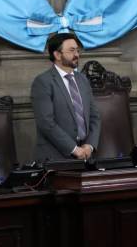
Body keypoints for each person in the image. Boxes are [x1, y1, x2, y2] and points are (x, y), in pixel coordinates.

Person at [31, 33, 100, 161]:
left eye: (77, 51)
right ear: (57, 55)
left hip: (86, 156)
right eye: (71, 50)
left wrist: (89, 146)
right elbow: (46, 123)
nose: (77, 55)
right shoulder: (43, 82)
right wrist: (74, 149)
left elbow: (94, 116)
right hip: (56, 157)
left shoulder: (83, 79)